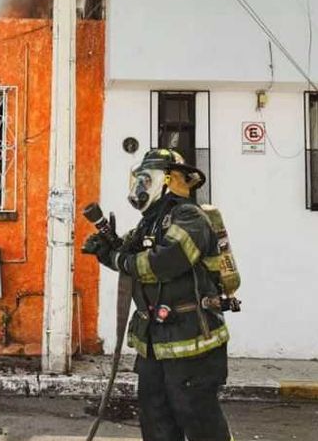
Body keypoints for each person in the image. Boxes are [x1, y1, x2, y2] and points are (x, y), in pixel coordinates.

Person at [82, 148, 233, 441]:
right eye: (139, 180)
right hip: (154, 345)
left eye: (146, 180)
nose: (140, 188)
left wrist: (118, 259)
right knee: (157, 425)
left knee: (202, 426)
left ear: (168, 180)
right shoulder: (148, 223)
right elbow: (126, 257)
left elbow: (163, 263)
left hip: (193, 345)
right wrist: (105, 250)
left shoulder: (190, 217)